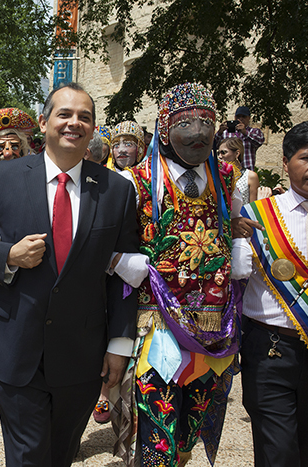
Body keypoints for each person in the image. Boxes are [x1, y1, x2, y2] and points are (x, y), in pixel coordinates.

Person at [0, 83, 139, 467]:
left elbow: (126, 275)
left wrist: (120, 344)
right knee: (28, 456)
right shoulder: (1, 178)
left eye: (84, 117)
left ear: (93, 129)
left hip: (82, 353)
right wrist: (8, 254)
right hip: (14, 347)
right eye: (64, 114)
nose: (74, 123)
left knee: (61, 454)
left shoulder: (116, 191)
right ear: (44, 123)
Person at [114, 83, 245, 467]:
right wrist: (126, 263)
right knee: (159, 432)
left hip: (214, 326)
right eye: (186, 121)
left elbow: (235, 223)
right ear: (164, 127)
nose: (199, 132)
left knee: (190, 430)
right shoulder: (134, 181)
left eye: (207, 121)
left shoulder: (226, 176)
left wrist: (238, 245)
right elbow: (105, 242)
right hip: (159, 329)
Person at [236, 120, 308, 467]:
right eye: (307, 158)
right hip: (271, 350)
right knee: (279, 455)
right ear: (286, 162)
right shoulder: (256, 217)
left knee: (306, 449)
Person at [214, 105, 265, 171]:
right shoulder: (226, 132)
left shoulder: (254, 131)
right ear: (235, 117)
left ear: (249, 118)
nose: (240, 119)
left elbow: (260, 141)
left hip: (246, 171)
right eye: (238, 116)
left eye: (244, 116)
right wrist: (219, 132)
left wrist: (245, 132)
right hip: (228, 172)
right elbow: (213, 146)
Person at [218, 136, 259, 204]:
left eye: (223, 152)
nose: (219, 156)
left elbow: (253, 207)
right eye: (218, 153)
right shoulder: (217, 174)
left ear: (237, 153)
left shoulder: (250, 176)